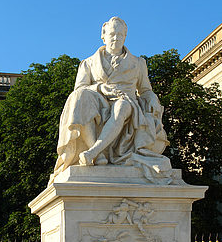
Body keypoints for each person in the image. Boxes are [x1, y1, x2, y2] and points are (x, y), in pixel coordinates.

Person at [49, 17, 172, 183]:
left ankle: (93, 152)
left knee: (122, 107)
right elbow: (79, 89)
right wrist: (100, 88)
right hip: (98, 100)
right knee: (78, 98)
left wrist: (151, 98)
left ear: (125, 37)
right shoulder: (88, 63)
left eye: (120, 35)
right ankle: (98, 154)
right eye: (113, 34)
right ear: (104, 35)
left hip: (126, 101)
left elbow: (145, 89)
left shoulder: (138, 63)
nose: (116, 38)